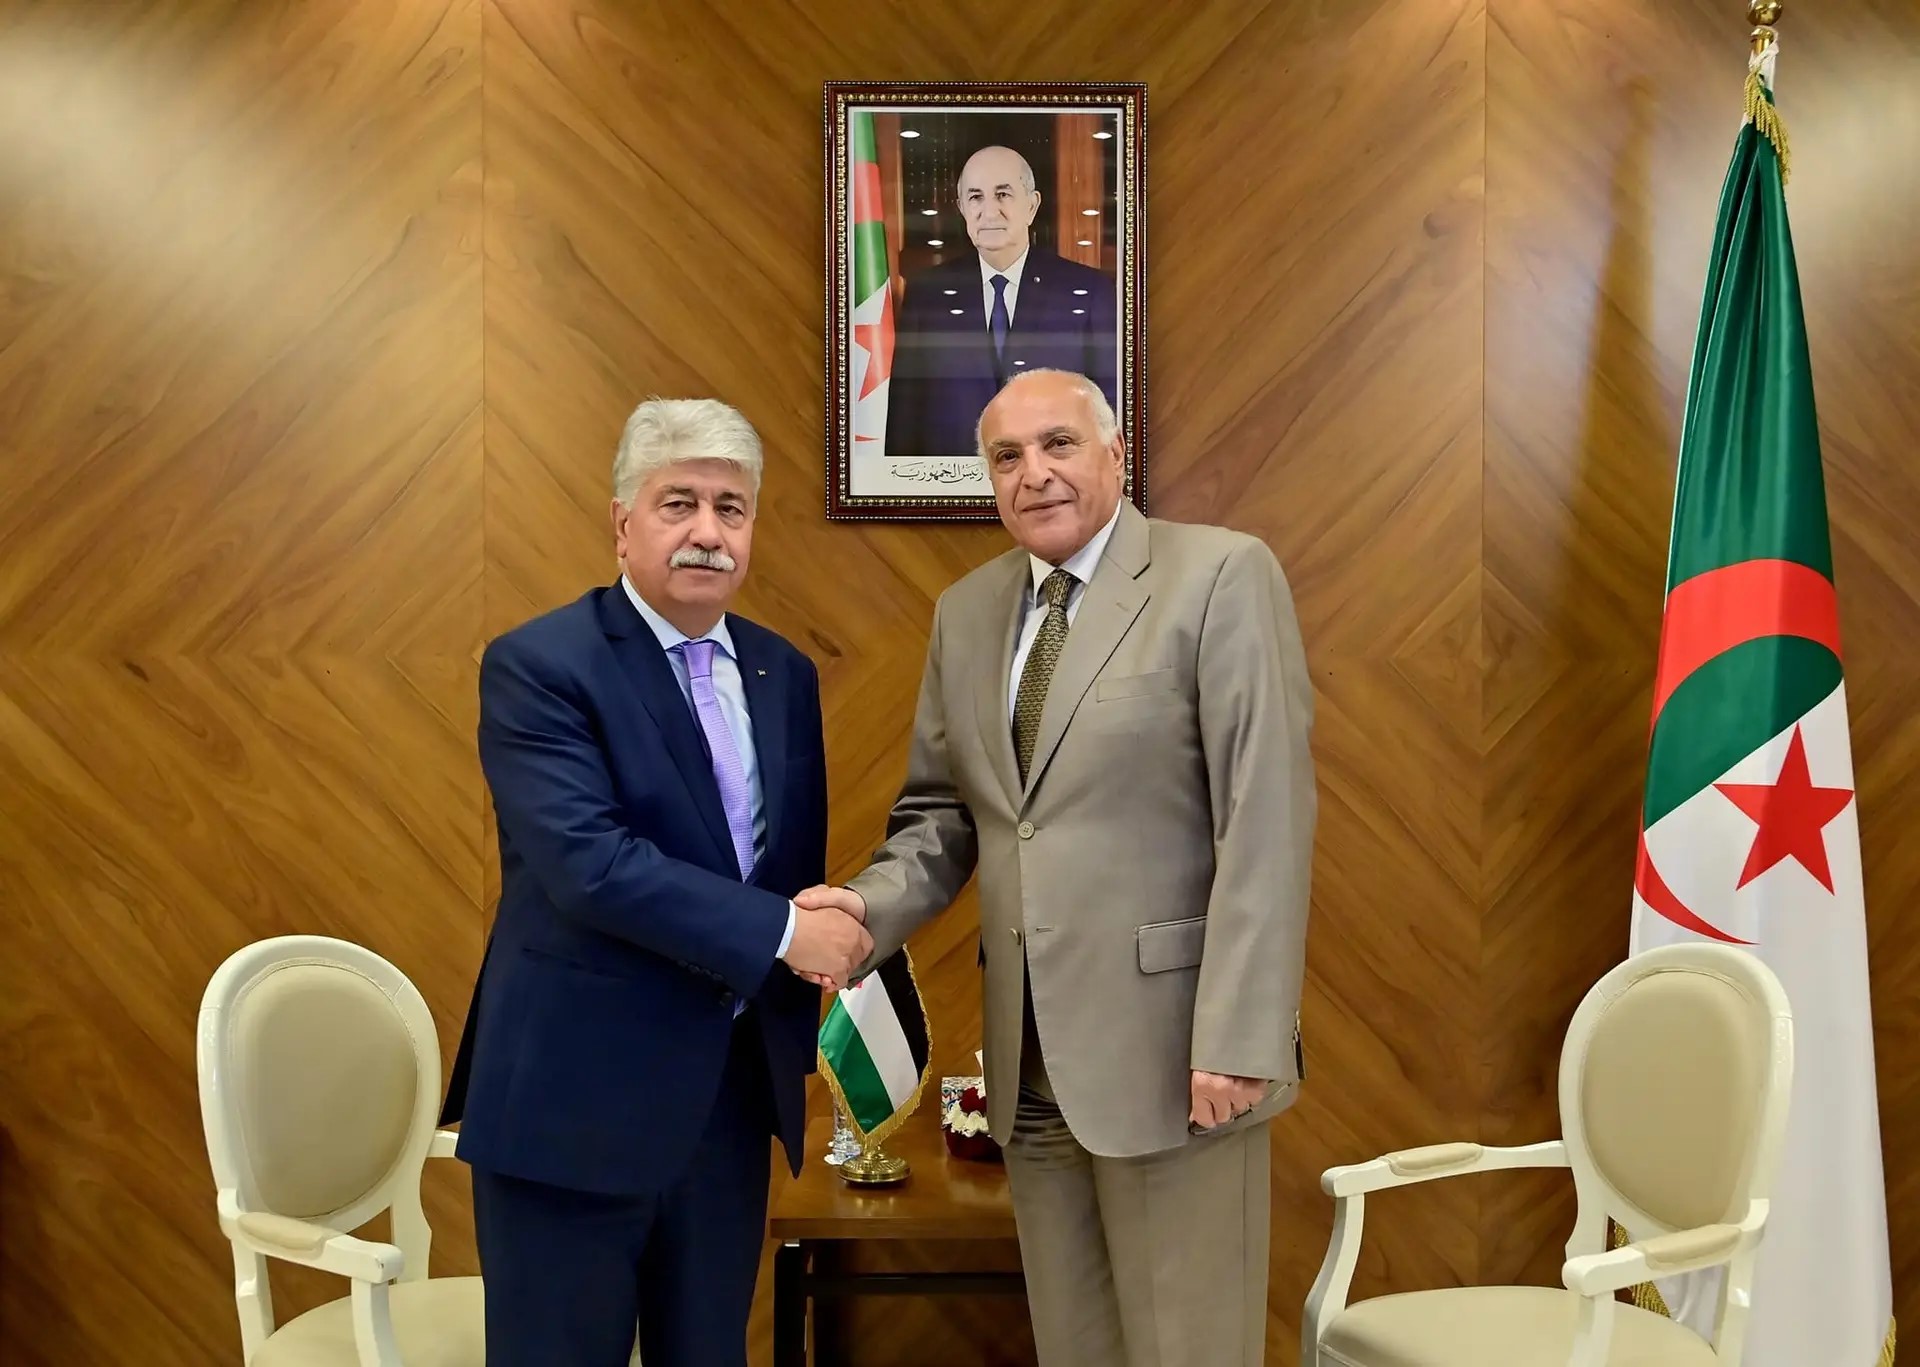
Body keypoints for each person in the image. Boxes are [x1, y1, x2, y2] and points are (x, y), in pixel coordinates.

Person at [800, 368, 1315, 1367]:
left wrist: (1241, 1033)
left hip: (1179, 1061)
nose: (1033, 473)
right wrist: (861, 910)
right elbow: (943, 816)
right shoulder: (966, 612)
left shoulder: (1220, 575)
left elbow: (1267, 817)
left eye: (1058, 444)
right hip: (1028, 1066)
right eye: (1007, 456)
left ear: (1116, 454)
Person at [439, 398, 872, 1366]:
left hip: (726, 1104)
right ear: (622, 521)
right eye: (679, 502)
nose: (708, 531)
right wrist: (784, 933)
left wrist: (820, 926)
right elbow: (589, 864)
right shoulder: (541, 663)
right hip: (572, 1103)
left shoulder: (784, 672)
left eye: (732, 507)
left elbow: (781, 864)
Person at [884, 145, 1118, 460]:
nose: (990, 211)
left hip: (1051, 480)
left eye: (1003, 195)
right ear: (962, 208)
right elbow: (906, 415)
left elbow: (1108, 414)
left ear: (1032, 206)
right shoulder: (928, 294)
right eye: (975, 197)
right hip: (949, 480)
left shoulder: (1086, 292)